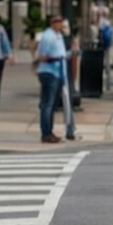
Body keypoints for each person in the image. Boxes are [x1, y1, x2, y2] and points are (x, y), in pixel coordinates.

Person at [34, 14, 73, 144]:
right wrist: (55, 59)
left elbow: (61, 53)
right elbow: (43, 56)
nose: (60, 24)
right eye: (58, 22)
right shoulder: (48, 36)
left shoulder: (58, 36)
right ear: (52, 23)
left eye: (61, 22)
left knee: (52, 105)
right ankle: (46, 133)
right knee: (47, 104)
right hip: (49, 72)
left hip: (58, 73)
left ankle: (49, 131)